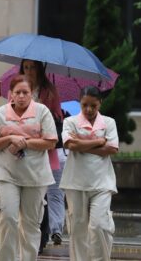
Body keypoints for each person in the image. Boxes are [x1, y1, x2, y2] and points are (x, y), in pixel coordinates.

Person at [0, 75, 57, 261]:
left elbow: (51, 141)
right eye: (17, 92)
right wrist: (10, 138)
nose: (21, 96)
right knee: (8, 217)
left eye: (25, 92)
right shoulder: (0, 114)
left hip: (36, 176)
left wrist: (25, 143)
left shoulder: (42, 111)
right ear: (10, 94)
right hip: (6, 174)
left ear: (32, 93)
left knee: (30, 224)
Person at [60, 86, 118, 261]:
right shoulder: (70, 122)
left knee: (100, 226)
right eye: (85, 105)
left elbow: (111, 149)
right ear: (80, 103)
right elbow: (70, 145)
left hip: (102, 183)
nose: (89, 109)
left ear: (100, 103)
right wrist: (99, 141)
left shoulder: (109, 122)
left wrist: (82, 143)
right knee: (78, 230)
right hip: (75, 183)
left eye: (93, 105)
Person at [19, 59, 66, 249]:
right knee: (29, 192)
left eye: (33, 67)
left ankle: (43, 234)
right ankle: (31, 233)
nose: (29, 71)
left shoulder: (49, 91)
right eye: (26, 67)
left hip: (45, 148)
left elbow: (56, 118)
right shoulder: (18, 89)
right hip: (25, 148)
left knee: (44, 191)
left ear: (40, 69)